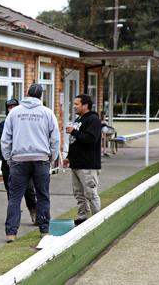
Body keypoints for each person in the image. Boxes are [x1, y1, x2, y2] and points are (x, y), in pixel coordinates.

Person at [1, 84, 60, 243]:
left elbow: (5, 139)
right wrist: (52, 158)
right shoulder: (47, 113)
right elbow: (55, 138)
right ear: (41, 96)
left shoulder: (14, 113)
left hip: (19, 160)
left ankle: (11, 233)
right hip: (41, 159)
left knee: (15, 197)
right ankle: (44, 230)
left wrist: (8, 158)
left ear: (26, 94)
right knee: (42, 195)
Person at [63, 94, 102, 226]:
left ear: (85, 105)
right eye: (74, 104)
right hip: (76, 164)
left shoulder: (93, 120)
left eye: (76, 104)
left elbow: (90, 139)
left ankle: (98, 220)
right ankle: (83, 217)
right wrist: (68, 157)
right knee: (79, 194)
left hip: (88, 165)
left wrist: (74, 132)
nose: (74, 106)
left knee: (90, 193)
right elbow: (75, 142)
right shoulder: (79, 119)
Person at [0, 98, 37, 225]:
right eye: (9, 107)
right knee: (11, 189)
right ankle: (14, 216)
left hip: (24, 160)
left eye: (14, 106)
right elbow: (4, 141)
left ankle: (34, 211)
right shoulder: (4, 124)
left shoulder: (24, 122)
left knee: (29, 189)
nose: (12, 109)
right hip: (8, 161)